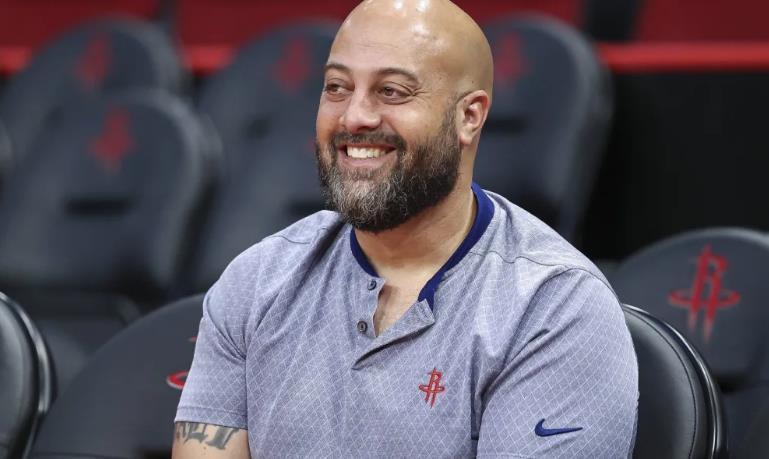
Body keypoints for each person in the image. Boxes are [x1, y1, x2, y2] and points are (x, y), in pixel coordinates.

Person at [172, 0, 638, 457]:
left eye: (392, 91)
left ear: (469, 116)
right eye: (337, 87)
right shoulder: (256, 280)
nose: (354, 116)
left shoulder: (554, 306)